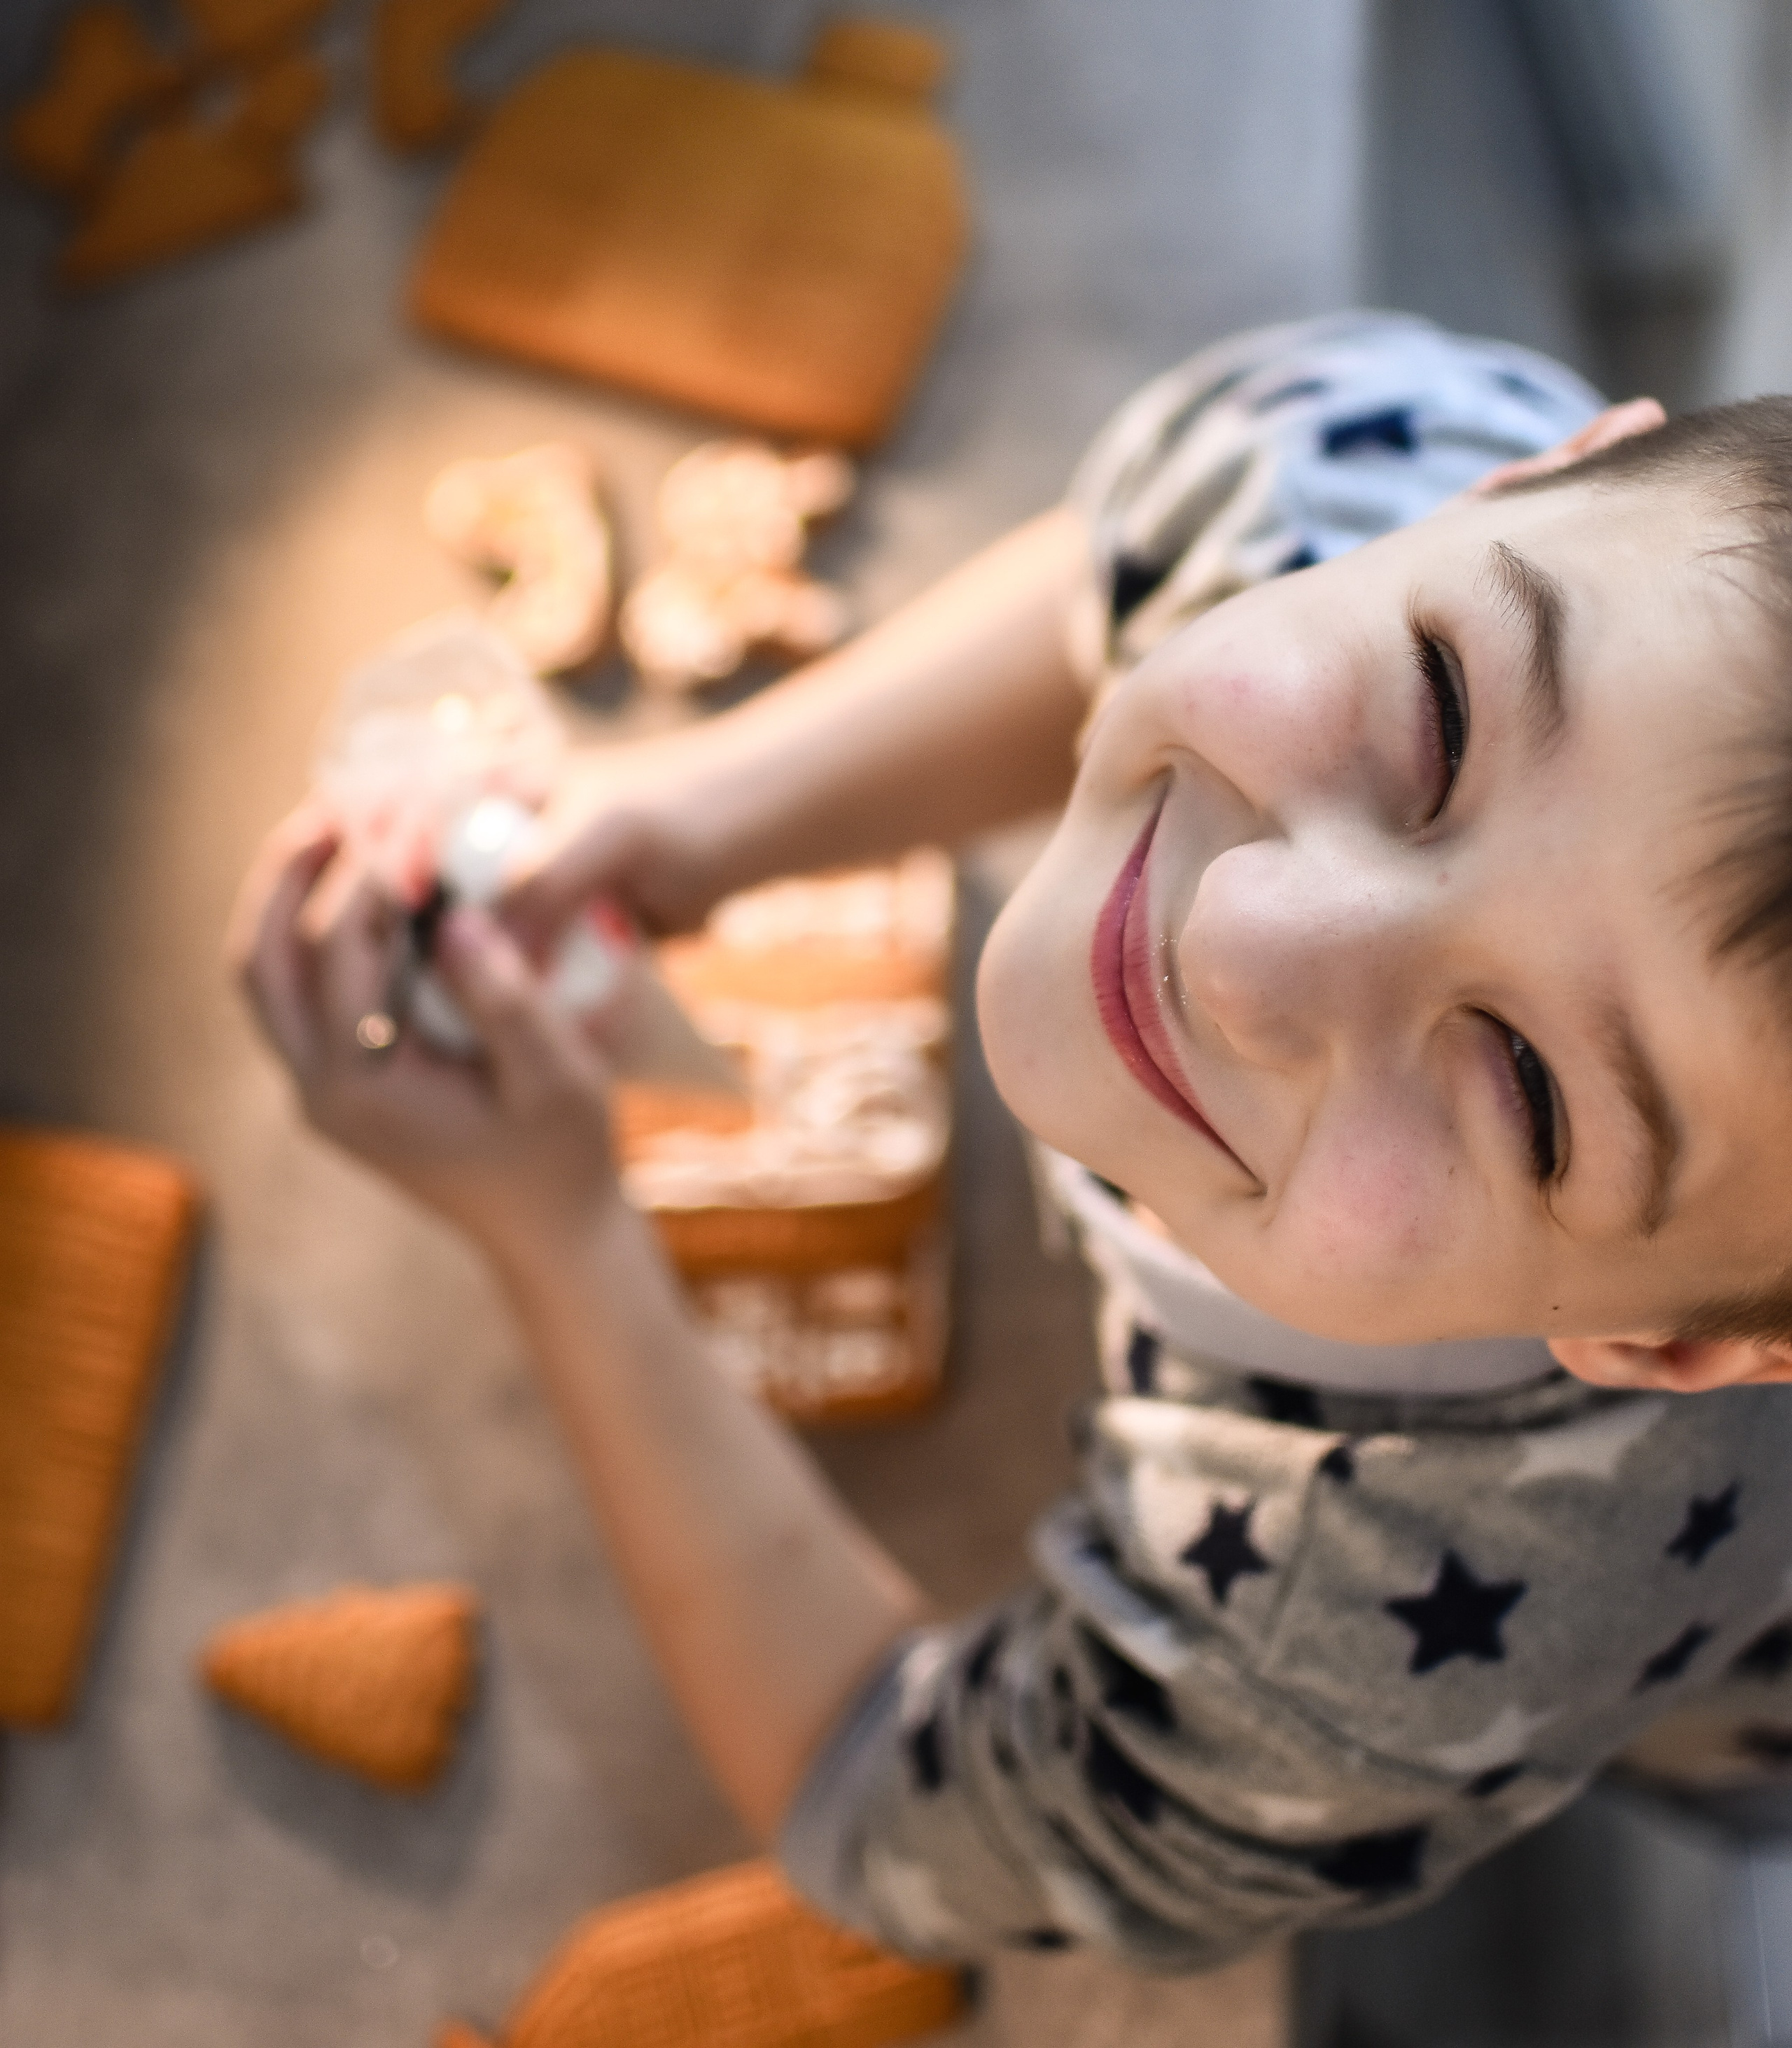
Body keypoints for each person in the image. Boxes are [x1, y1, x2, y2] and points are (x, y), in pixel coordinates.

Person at [232, 314, 1792, 1969]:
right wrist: (684, 815)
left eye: (1528, 1090)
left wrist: (555, 1235)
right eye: (1433, 714)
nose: (1247, 940)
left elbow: (876, 1790)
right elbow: (1125, 567)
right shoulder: (1357, 458)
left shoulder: (1363, 1659)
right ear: (1521, 472)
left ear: (1665, 1335)